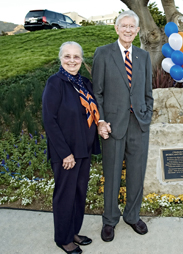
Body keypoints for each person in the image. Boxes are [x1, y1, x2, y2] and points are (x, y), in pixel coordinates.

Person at [92, 10, 153, 241]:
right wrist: (101, 120)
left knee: (137, 174)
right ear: (116, 29)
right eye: (124, 26)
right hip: (113, 127)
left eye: (132, 27)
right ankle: (109, 220)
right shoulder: (103, 53)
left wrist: (146, 116)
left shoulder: (143, 56)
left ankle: (132, 215)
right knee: (113, 174)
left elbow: (148, 93)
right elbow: (97, 93)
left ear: (137, 31)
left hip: (138, 125)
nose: (128, 30)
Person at [42, 41, 101, 254]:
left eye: (76, 56)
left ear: (81, 59)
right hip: (66, 152)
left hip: (83, 149)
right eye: (67, 56)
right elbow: (49, 120)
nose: (72, 60)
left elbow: (94, 111)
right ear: (61, 59)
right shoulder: (55, 83)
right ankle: (63, 238)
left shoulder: (84, 82)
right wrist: (65, 152)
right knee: (65, 195)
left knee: (78, 193)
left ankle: (74, 231)